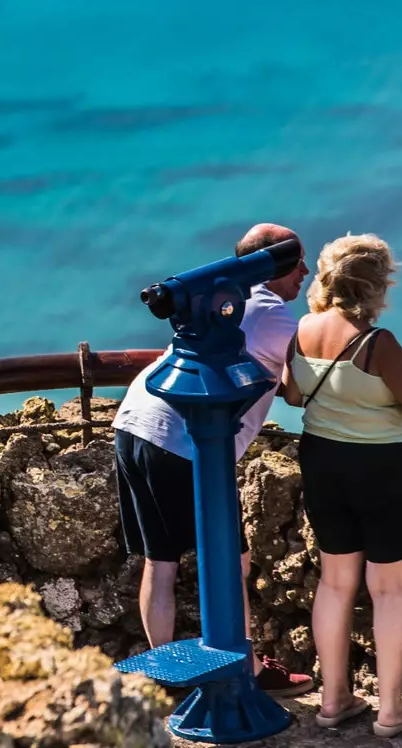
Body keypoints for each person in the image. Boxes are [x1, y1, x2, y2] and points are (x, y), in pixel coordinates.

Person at [113, 223, 314, 696]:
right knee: (231, 562)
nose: (305, 270)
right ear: (273, 265)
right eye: (297, 259)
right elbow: (310, 383)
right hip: (186, 439)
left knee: (160, 562)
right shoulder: (273, 315)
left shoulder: (222, 303)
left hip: (134, 420)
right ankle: (249, 673)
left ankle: (160, 680)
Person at [280, 233, 402, 738]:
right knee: (388, 589)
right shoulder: (377, 343)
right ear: (376, 286)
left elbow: (291, 393)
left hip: (323, 458)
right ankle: (390, 711)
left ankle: (332, 700)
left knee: (333, 582)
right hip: (385, 467)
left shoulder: (302, 329)